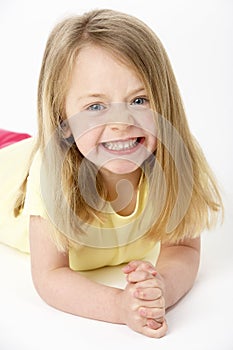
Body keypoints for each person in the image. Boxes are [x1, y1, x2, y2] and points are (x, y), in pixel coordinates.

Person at [0, 9, 223, 338]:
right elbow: (50, 275)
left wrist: (159, 288)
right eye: (95, 107)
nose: (121, 122)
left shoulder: (175, 163)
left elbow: (183, 249)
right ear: (62, 120)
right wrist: (119, 306)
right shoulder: (52, 173)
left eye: (139, 100)